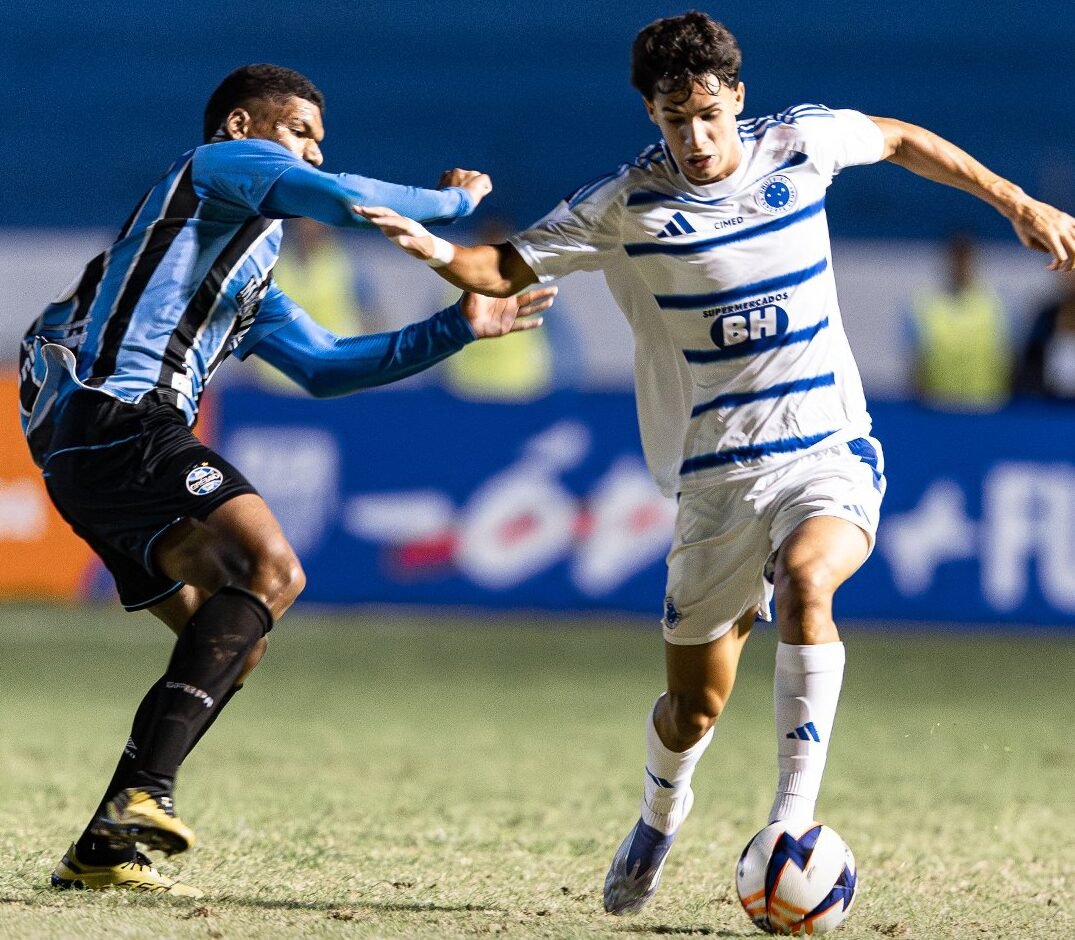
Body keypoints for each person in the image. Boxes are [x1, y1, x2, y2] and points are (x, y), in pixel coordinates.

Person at [355, 11, 1075, 916]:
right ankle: (661, 812)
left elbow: (896, 138)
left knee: (809, 580)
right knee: (691, 707)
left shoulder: (798, 145)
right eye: (673, 119)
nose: (694, 138)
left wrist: (1018, 202)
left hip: (826, 449)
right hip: (716, 481)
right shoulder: (626, 204)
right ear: (650, 113)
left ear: (735, 96)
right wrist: (434, 250)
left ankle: (790, 822)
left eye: (706, 114)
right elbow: (502, 267)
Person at [18, 63, 555, 897]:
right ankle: (143, 794)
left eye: (318, 139)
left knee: (238, 642)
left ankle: (106, 843)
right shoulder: (213, 167)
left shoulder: (244, 260)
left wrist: (456, 327)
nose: (312, 151)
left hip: (90, 454)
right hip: (123, 416)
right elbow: (340, 199)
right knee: (273, 569)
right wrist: (451, 205)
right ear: (241, 125)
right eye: (299, 132)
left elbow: (324, 366)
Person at [908, 232, 1010, 410]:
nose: (960, 266)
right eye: (955, 259)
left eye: (965, 259)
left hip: (986, 409)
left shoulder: (996, 306)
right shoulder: (924, 306)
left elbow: (1009, 361)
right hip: (937, 408)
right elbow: (916, 364)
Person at [1013, 271, 1075, 399]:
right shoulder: (1046, 317)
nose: (1071, 277)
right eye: (1068, 271)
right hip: (1050, 403)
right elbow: (1029, 367)